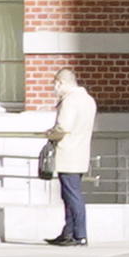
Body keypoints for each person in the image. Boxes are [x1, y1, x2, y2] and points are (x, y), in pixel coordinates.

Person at [44, 65, 101, 246]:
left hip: (67, 154)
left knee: (72, 196)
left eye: (55, 85)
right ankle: (68, 233)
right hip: (81, 152)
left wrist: (50, 133)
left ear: (61, 83)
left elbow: (64, 127)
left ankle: (79, 234)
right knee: (70, 195)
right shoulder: (88, 100)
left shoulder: (70, 101)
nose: (55, 90)